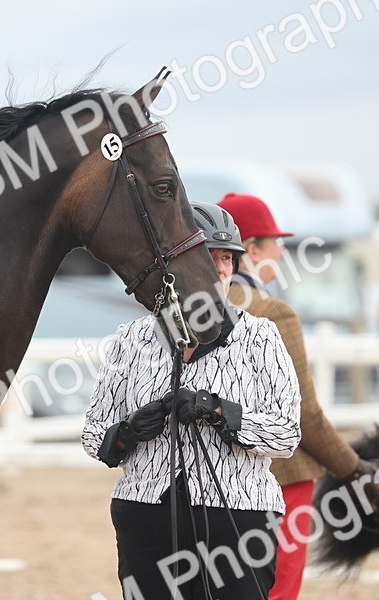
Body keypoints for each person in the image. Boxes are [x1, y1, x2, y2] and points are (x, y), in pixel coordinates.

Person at [83, 202, 301, 599]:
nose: (220, 269)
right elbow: (94, 431)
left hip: (238, 513)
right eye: (208, 257)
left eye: (227, 258)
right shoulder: (132, 339)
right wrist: (128, 431)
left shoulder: (261, 338)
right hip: (146, 515)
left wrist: (221, 412)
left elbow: (286, 434)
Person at [216, 192, 377, 600]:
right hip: (282, 478)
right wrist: (353, 468)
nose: (282, 250)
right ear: (250, 250)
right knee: (278, 589)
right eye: (274, 242)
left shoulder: (193, 307)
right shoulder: (273, 312)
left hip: (212, 478)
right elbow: (303, 415)